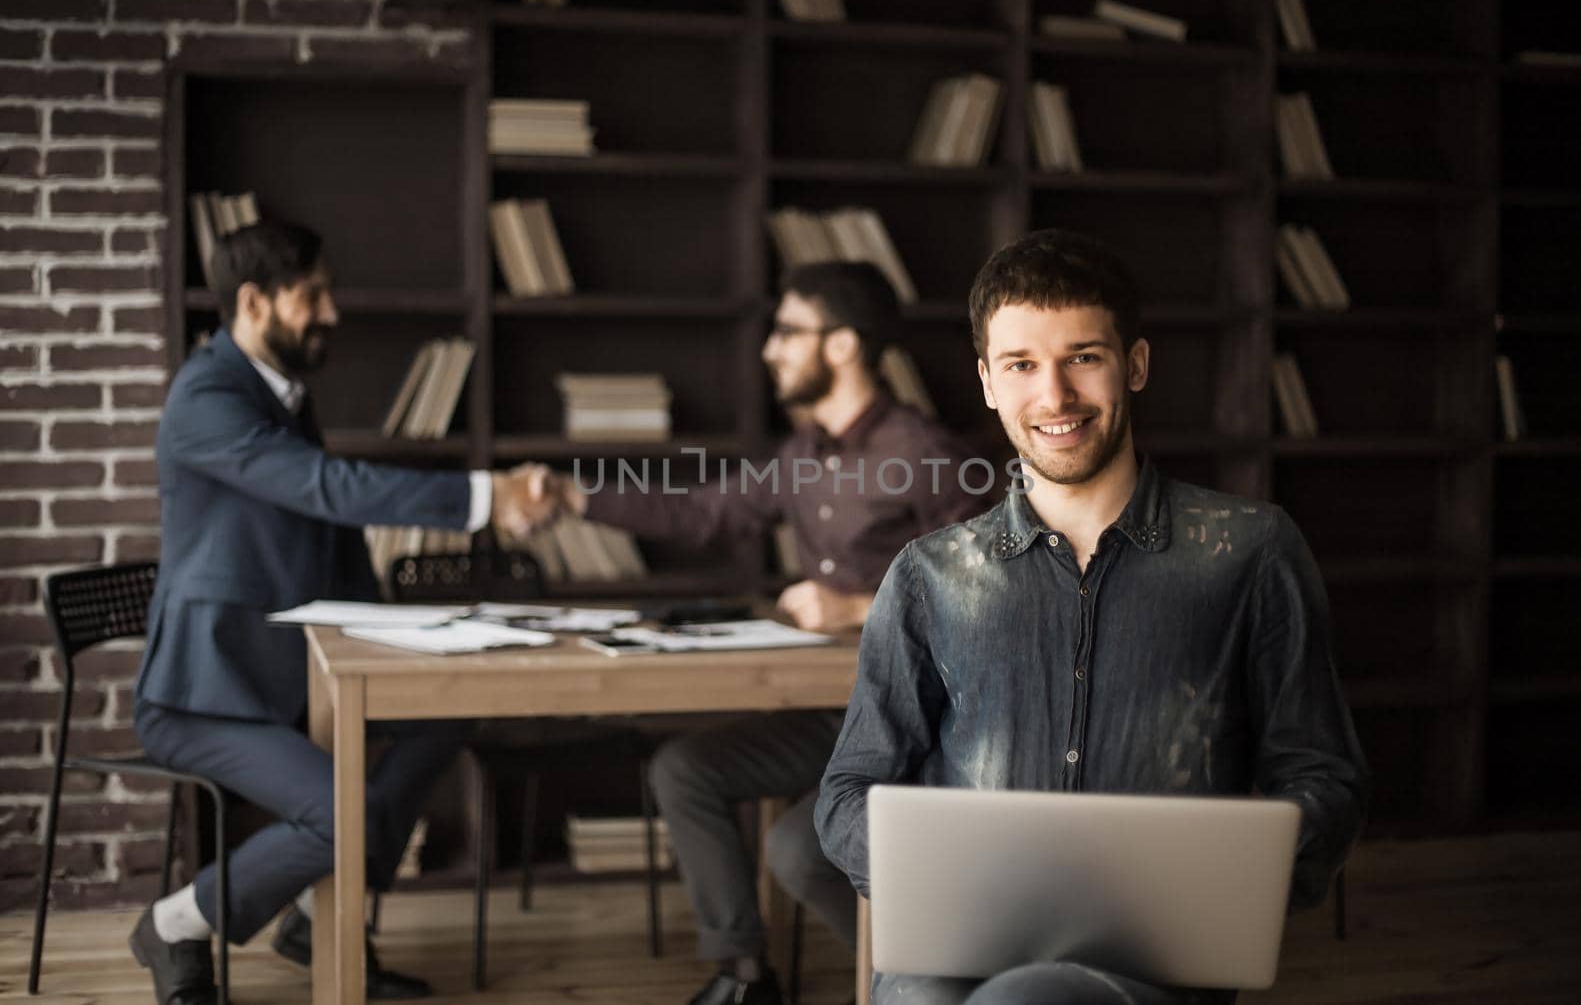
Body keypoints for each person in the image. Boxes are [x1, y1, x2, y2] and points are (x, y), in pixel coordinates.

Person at [815, 230, 1371, 1005]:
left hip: (1154, 955)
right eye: (1021, 365)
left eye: (1083, 356)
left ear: (1134, 364)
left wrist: (1226, 875)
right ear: (986, 382)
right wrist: (937, 871)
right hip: (955, 945)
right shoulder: (928, 575)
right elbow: (847, 791)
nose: (1054, 396)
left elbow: (1323, 776)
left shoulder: (1251, 551)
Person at [535, 262, 989, 1004]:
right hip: (825, 714)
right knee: (684, 769)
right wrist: (574, 497)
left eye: (787, 332)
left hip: (914, 725)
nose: (770, 349)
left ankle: (919, 975)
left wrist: (856, 606)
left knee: (796, 848)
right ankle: (746, 977)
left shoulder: (926, 453)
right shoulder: (801, 456)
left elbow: (986, 592)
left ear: (843, 345)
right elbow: (701, 512)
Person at [128, 220, 552, 1005]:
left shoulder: (280, 394)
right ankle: (176, 922)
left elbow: (331, 529)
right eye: (312, 294)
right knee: (340, 813)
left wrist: (399, 641)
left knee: (443, 715)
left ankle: (315, 920)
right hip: (202, 693)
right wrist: (488, 496)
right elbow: (330, 488)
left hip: (289, 678)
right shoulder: (207, 397)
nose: (332, 312)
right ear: (253, 301)